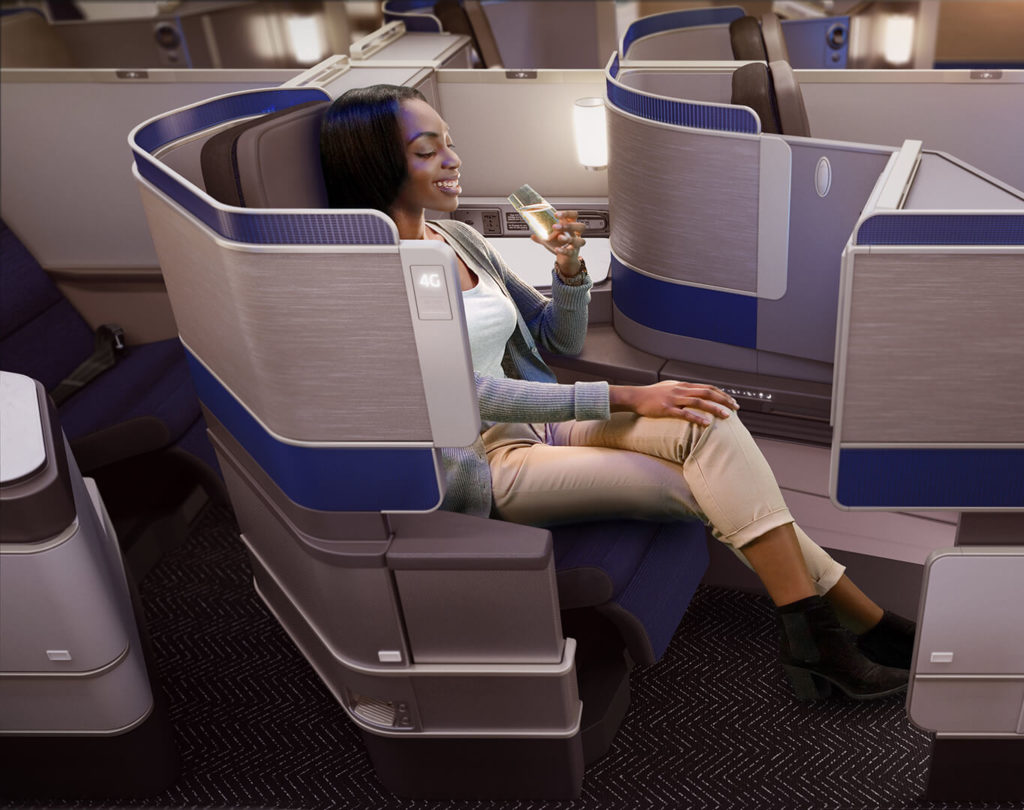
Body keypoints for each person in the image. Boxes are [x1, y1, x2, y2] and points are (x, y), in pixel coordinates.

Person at [319, 85, 914, 701]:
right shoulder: (372, 277)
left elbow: (559, 336)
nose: (452, 160)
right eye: (427, 150)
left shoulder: (457, 239)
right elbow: (462, 394)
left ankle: (831, 636)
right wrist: (629, 397)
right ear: (376, 165)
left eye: (451, 144)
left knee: (707, 418)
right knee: (703, 485)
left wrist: (569, 269)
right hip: (481, 462)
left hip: (541, 426)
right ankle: (852, 628)